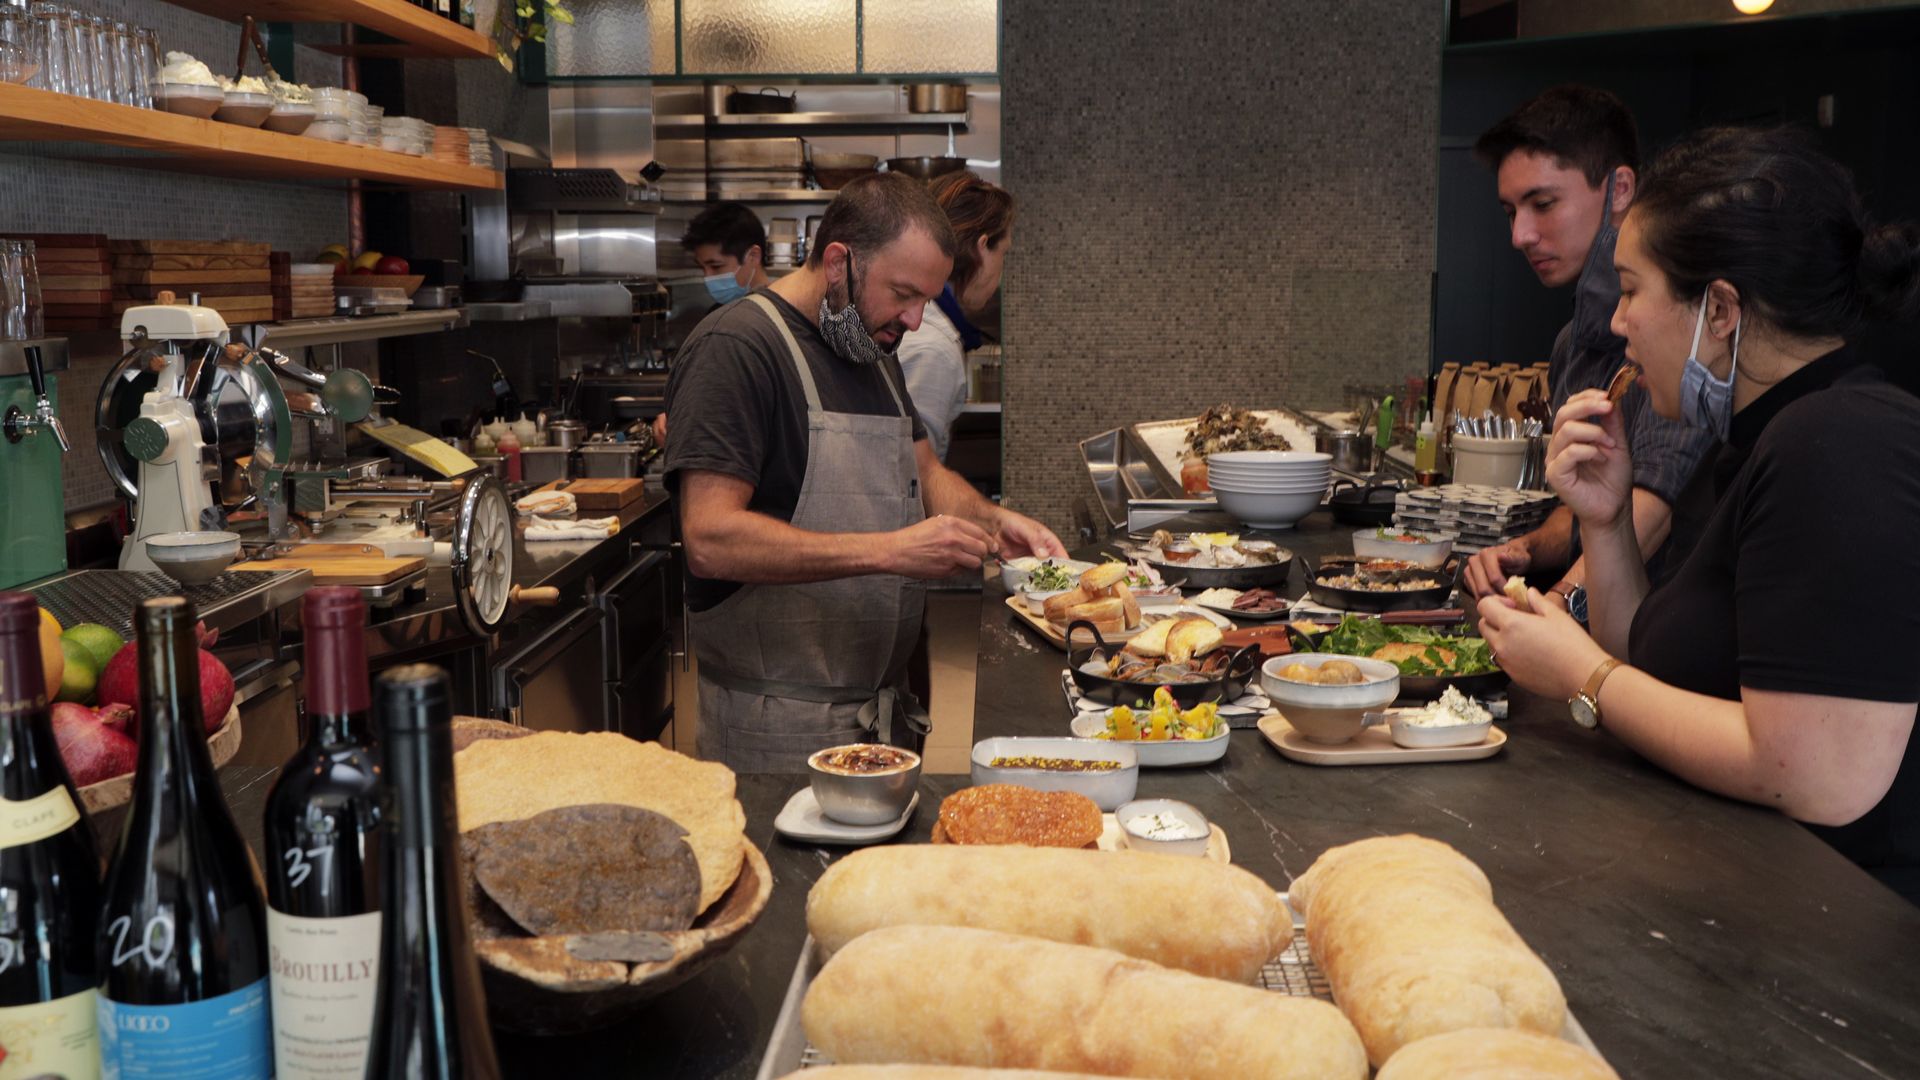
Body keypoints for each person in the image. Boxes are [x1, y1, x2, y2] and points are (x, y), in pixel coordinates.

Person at [1477, 126, 1920, 902]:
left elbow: (1816, 775)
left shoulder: (1840, 442)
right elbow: (1661, 664)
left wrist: (1581, 675)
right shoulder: (1756, 438)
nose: (1618, 323)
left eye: (1633, 289)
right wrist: (1605, 522)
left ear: (1719, 309)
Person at [663, 172, 1067, 771]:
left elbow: (924, 470)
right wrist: (890, 551)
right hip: (776, 729)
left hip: (878, 719)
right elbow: (710, 539)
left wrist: (994, 520)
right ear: (837, 261)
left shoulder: (869, 350)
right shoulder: (739, 349)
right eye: (903, 294)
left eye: (925, 301)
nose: (912, 321)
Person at [1462, 86, 1713, 621]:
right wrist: (1525, 550)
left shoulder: (1680, 325)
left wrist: (1555, 608)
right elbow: (1586, 512)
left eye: (1543, 204)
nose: (1519, 235)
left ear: (1621, 187)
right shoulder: (1570, 339)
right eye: (1510, 211)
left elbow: (1652, 507)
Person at [896, 172, 1015, 461]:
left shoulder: (920, 321)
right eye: (1003, 254)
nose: (1001, 272)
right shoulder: (933, 349)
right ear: (982, 246)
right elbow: (910, 477)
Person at [653, 203, 776, 446]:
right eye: (703, 267)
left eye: (716, 266)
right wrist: (676, 416)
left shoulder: (780, 317)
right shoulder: (715, 316)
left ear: (753, 257)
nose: (708, 277)